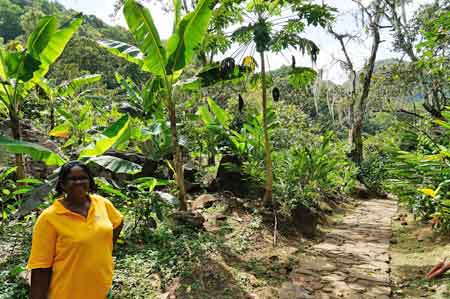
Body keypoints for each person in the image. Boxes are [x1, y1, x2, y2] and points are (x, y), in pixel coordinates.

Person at [27, 161, 124, 299]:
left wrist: (104, 247)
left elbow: (118, 222)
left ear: (90, 181)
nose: (78, 182)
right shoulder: (49, 217)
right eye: (72, 179)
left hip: (101, 290)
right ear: (62, 184)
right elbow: (41, 267)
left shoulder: (102, 204)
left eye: (83, 178)